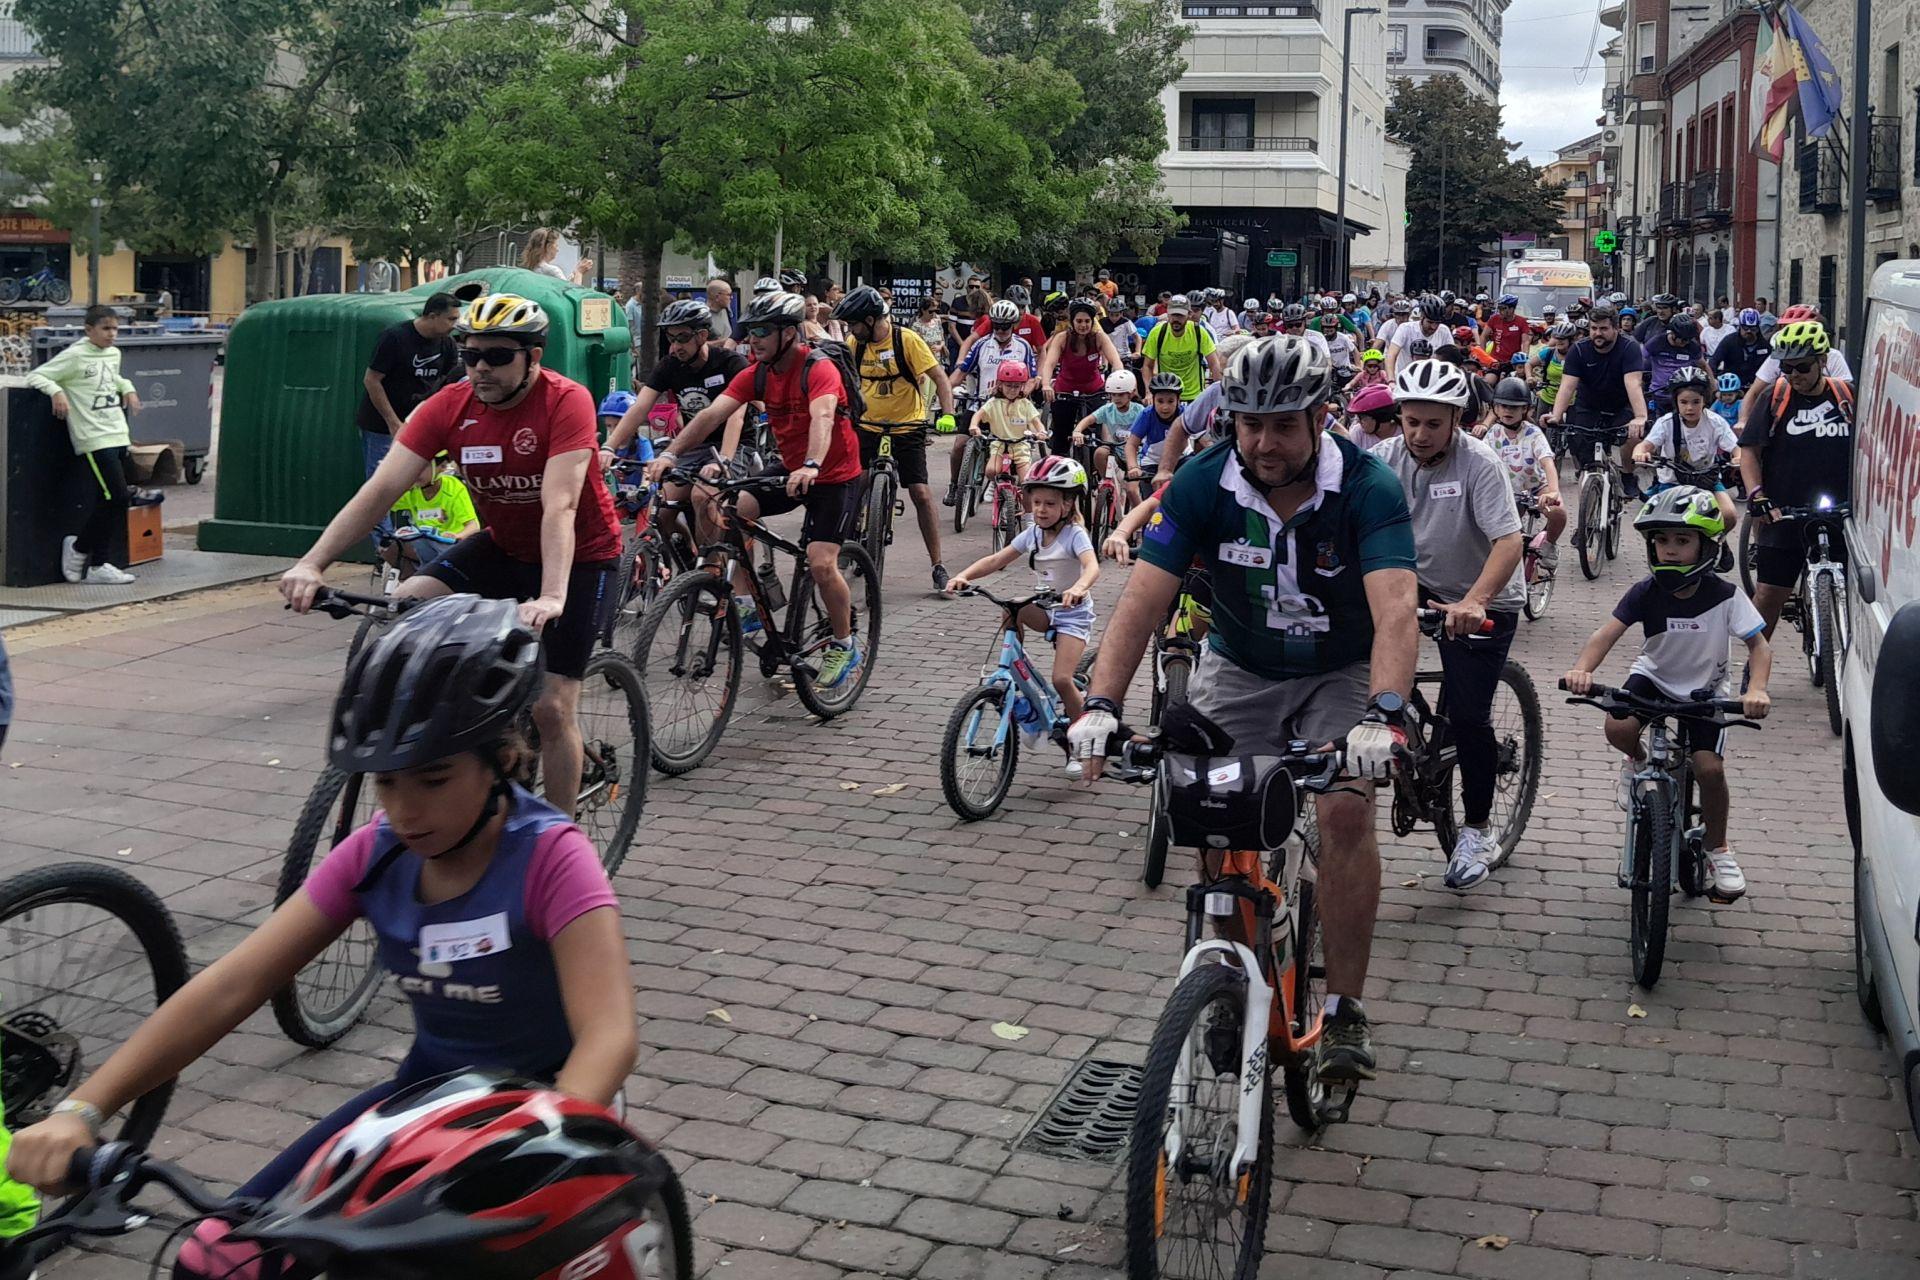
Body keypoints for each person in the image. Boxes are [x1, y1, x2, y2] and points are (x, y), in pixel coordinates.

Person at [2, 596, 639, 1272]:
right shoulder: (376, 853)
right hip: (425, 1101)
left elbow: (609, 1034)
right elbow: (234, 984)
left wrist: (534, 1141)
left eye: (435, 778)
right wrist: (85, 1108)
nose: (404, 809)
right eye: (385, 782)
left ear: (505, 757)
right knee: (219, 1261)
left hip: (549, 1110)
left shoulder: (550, 857)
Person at [1069, 334, 1419, 1084]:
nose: (1263, 442)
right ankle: (1226, 982)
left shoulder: (1368, 488)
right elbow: (1141, 600)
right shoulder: (1202, 482)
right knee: (1212, 807)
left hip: (1340, 669)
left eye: (1283, 425)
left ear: (1319, 418)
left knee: (1346, 813)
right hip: (1240, 662)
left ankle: (1347, 1007)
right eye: (1247, 424)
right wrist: (1101, 702)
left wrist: (1385, 714)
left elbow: (1396, 613)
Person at [279, 293, 625, 815]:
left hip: (580, 557)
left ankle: (561, 845)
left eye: (498, 356)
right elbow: (379, 490)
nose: (480, 367)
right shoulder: (447, 406)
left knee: (552, 708)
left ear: (533, 356)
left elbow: (561, 505)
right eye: (470, 354)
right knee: (402, 612)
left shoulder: (565, 399)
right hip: (503, 546)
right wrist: (313, 563)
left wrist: (553, 595)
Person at [645, 292, 866, 685]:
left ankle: (844, 645)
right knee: (724, 508)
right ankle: (745, 602)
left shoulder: (817, 368)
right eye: (749, 331)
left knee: (819, 562)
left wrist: (813, 464)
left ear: (788, 333)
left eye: (763, 331)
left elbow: (823, 416)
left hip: (834, 475)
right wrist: (672, 455)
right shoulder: (756, 372)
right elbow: (713, 413)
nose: (754, 339)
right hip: (791, 469)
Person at [1563, 488, 1772, 902]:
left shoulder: (1726, 596)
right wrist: (1582, 671)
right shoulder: (1645, 591)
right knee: (1617, 725)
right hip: (1654, 678)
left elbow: (1759, 645)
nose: (1671, 550)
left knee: (1709, 770)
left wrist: (1757, 689)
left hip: (1705, 692)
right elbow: (1607, 633)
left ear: (1707, 545)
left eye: (1682, 541)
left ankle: (1719, 849)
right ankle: (1637, 762)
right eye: (1661, 540)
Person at [1371, 358, 1527, 892]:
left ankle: (1478, 830)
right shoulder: (1382, 460)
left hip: (1484, 594)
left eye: (1433, 423)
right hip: (1417, 588)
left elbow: (1509, 542)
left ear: (1455, 420)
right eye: (1411, 421)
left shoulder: (1480, 464)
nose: (1419, 434)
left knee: (1465, 714)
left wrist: (1476, 601)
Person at [945, 455, 1101, 749]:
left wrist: (1078, 588)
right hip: (1044, 608)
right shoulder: (1033, 533)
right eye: (1037, 502)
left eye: (1050, 504)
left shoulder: (1074, 534)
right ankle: (1012, 662)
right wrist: (962, 576)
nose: (1041, 510)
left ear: (1068, 505)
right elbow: (996, 560)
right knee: (1011, 604)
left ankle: (1085, 740)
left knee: (1062, 680)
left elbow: (1092, 566)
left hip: (1072, 614)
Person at [834, 285, 961, 590]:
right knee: (856, 481)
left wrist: (947, 413)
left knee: (920, 492)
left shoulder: (907, 340)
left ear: (869, 319)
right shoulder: (855, 343)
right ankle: (848, 542)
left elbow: (940, 378)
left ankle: (938, 565)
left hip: (907, 424)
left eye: (853, 323)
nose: (850, 330)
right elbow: (842, 381)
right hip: (868, 424)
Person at [601, 298, 750, 549]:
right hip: (694, 446)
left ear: (702, 335)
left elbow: (737, 415)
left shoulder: (730, 363)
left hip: (734, 446)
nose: (675, 346)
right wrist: (608, 447)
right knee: (659, 510)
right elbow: (640, 407)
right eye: (671, 338)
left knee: (701, 496)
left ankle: (710, 570)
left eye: (682, 338)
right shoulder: (670, 365)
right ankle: (687, 566)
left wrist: (722, 459)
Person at [1736, 320, 1853, 639]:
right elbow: (1749, 451)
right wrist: (1758, 496)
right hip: (1784, 511)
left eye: (1802, 367)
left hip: (1841, 512)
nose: (1794, 375)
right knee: (1769, 595)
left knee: (1855, 595)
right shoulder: (1776, 398)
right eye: (1786, 368)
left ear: (1822, 362)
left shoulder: (1847, 397)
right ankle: (1753, 670)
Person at [28, 304, 154, 586]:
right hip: (94, 437)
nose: (112, 335)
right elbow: (38, 375)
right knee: (117, 496)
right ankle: (81, 551)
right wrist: (57, 391)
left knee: (108, 500)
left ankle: (98, 562)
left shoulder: (113, 354)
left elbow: (110, 378)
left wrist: (127, 387)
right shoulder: (74, 355)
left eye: (115, 329)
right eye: (106, 328)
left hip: (117, 433)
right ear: (89, 330)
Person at [355, 293, 463, 545]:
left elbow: (447, 387)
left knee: (421, 480)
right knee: (382, 485)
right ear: (432, 316)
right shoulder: (395, 338)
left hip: (420, 424)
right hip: (382, 425)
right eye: (450, 319)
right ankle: (384, 549)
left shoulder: (446, 344)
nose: (454, 325)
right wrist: (393, 423)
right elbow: (372, 380)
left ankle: (417, 545)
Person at [1545, 305, 1649, 497]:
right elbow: (1567, 386)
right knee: (1580, 446)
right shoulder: (1578, 350)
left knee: (1633, 436)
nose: (1597, 333)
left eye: (1603, 329)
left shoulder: (1629, 347)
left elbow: (1633, 383)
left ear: (1615, 329)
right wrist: (1556, 416)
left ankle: (1627, 474)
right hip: (1588, 406)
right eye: (1594, 329)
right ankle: (1590, 501)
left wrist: (1641, 417)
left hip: (1620, 406)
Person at [1635, 366, 1739, 529]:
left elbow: (1736, 447)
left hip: (1707, 481)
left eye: (1696, 402)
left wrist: (1737, 456)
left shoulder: (1715, 422)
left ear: (1705, 400)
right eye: (1684, 402)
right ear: (1675, 402)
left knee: (1729, 515)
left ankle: (1715, 546)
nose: (1689, 408)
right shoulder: (1666, 423)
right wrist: (1641, 454)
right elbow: (1644, 446)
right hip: (1672, 483)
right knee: (1663, 524)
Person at [1486, 376, 1563, 569]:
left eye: (1513, 407)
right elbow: (1481, 462)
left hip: (1536, 488)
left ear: (1525, 409)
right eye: (1502, 406)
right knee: (1508, 539)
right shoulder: (1493, 434)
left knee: (1558, 512)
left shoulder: (1533, 433)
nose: (1507, 410)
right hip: (1508, 492)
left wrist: (1553, 491)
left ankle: (1549, 545)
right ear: (1495, 408)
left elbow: (1547, 462)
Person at [1038, 298, 1124, 455]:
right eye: (1079, 321)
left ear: (1092, 321)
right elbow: (1049, 364)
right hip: (1066, 390)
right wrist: (1046, 385)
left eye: (1087, 321)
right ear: (1072, 321)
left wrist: (1118, 384)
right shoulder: (1062, 338)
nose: (1083, 325)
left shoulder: (1099, 337)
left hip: (1094, 390)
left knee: (1099, 438)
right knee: (1061, 439)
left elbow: (1116, 362)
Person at [384, 452, 481, 575]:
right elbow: (384, 504)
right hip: (423, 544)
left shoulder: (453, 488)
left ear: (443, 467)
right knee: (388, 548)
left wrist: (457, 536)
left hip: (448, 547)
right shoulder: (412, 489)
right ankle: (408, 582)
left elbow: (474, 526)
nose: (415, 471)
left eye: (423, 466)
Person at [969, 359, 1049, 486]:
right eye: (1008, 385)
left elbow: (1036, 421)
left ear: (1022, 386)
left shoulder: (1025, 404)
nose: (1012, 390)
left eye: (1016, 386)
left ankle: (1020, 501)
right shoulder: (993, 403)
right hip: (999, 444)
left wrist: (1041, 432)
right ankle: (994, 484)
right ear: (1000, 384)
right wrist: (974, 426)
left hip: (1020, 445)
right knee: (991, 471)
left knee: (1026, 481)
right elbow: (978, 415)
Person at [1139, 295, 1223, 403]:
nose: (1176, 320)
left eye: (1180, 316)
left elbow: (1214, 364)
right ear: (1168, 314)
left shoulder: (1199, 332)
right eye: (1173, 315)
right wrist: (1149, 392)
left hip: (1194, 395)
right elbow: (1147, 366)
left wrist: (1219, 393)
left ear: (1189, 315)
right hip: (1166, 395)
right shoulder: (1157, 333)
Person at [1072, 369, 1140, 497]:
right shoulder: (1108, 410)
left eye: (1120, 395)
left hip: (1137, 455)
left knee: (1132, 491)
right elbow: (1088, 420)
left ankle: (1139, 515)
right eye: (1113, 395)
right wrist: (1077, 431)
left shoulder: (1139, 411)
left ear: (1130, 394)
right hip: (1117, 452)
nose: (1116, 398)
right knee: (1100, 452)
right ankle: (1107, 481)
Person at [1127, 372, 1187, 491]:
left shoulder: (1186, 414)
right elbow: (1132, 444)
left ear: (1178, 400)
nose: (1165, 407)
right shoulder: (1146, 415)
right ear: (1153, 399)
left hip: (1181, 459)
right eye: (1160, 401)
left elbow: (1203, 440)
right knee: (1150, 503)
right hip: (1152, 462)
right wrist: (1133, 467)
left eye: (1170, 401)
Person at [1642, 314, 1708, 419]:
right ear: (1673, 334)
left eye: (1688, 340)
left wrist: (1713, 390)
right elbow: (1639, 360)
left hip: (1683, 396)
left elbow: (1704, 366)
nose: (1685, 343)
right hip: (1658, 395)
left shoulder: (1692, 346)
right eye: (1683, 340)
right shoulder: (1657, 342)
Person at [1385, 296, 1451, 376]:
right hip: (1405, 379)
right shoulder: (1405, 328)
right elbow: (1391, 355)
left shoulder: (1444, 331)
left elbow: (1451, 359)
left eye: (1437, 323)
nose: (1433, 327)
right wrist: (1391, 380)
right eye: (1430, 322)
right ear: (1421, 317)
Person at [1710, 308, 1771, 389]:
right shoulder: (1729, 341)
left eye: (1753, 329)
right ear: (1740, 326)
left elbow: (1770, 367)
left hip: (1755, 386)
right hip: (1731, 387)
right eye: (1745, 328)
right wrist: (1714, 380)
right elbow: (1714, 361)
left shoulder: (1765, 345)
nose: (1749, 331)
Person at [520, 227, 591, 285]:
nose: (557, 250)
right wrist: (579, 273)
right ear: (548, 247)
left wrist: (574, 274)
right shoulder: (552, 271)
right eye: (556, 246)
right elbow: (573, 294)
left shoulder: (528, 268)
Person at [1344, 383, 1399, 451]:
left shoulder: (1403, 433)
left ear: (1381, 417)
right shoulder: (1358, 433)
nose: (1358, 421)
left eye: (1362, 417)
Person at [1480, 294, 1531, 366]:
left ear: (1511, 309)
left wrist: (1524, 358)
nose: (1500, 311)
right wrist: (1483, 356)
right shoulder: (1494, 319)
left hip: (1513, 362)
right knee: (1489, 377)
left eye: (1503, 308)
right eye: (1499, 308)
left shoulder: (1521, 321)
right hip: (1495, 360)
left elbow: (1525, 342)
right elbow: (1483, 336)